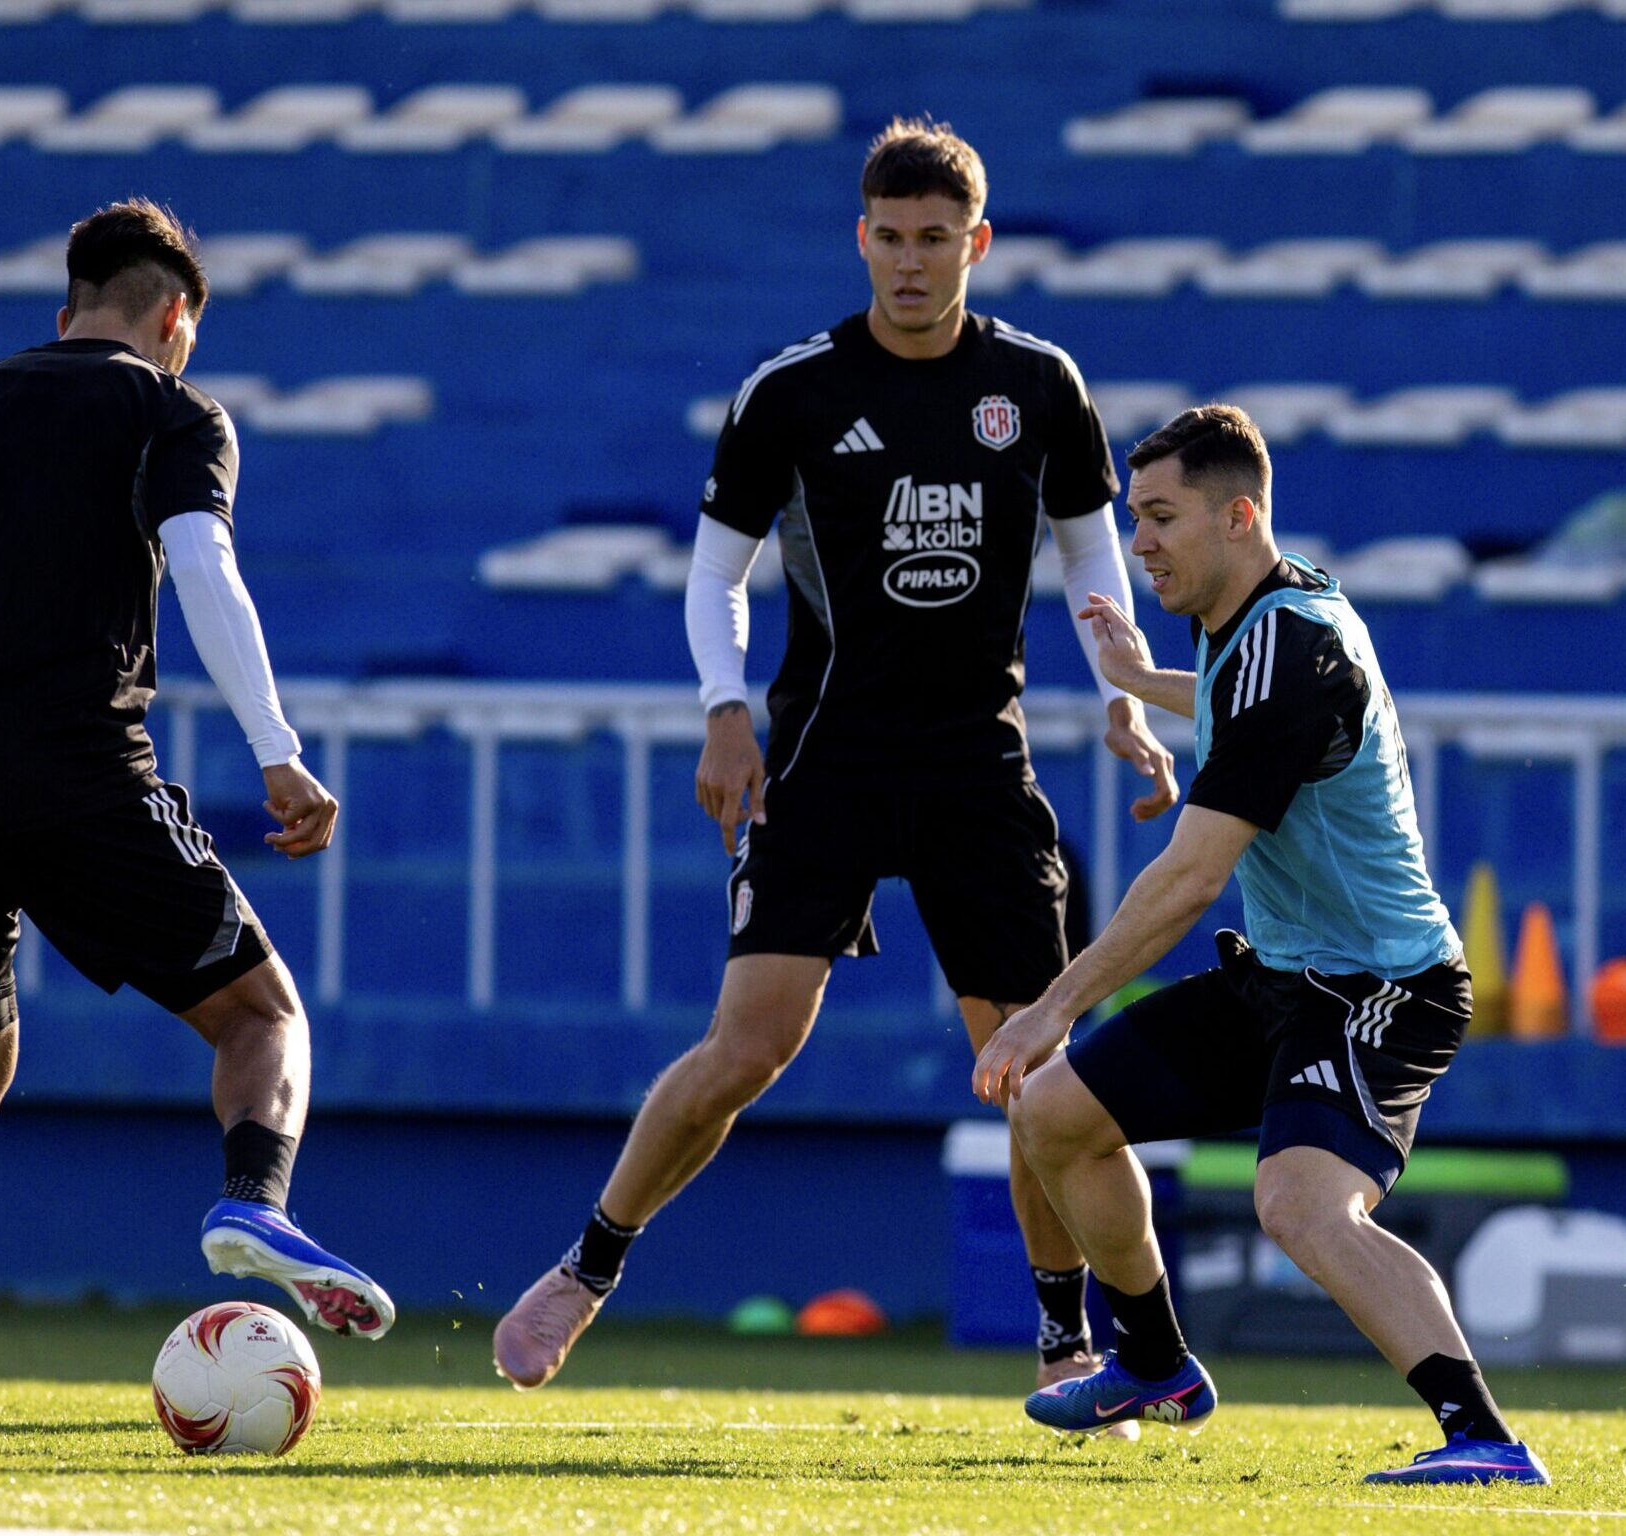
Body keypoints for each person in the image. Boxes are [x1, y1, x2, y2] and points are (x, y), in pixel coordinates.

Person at [493, 119, 1180, 1421]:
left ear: (975, 245)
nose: (912, 263)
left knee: (1031, 1065)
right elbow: (714, 571)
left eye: (937, 240)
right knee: (749, 1047)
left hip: (981, 765)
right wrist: (721, 709)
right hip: (825, 758)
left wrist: (1126, 694)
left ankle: (1059, 1339)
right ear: (860, 236)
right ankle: (589, 1264)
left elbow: (1094, 555)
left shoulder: (1037, 386)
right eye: (891, 237)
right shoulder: (793, 392)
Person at [0, 199, 393, 1448]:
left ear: (65, 313)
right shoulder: (170, 409)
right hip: (77, 770)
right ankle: (251, 1200)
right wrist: (279, 755)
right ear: (177, 322)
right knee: (260, 1015)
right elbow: (203, 566)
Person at [972, 404, 1551, 1485]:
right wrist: (1143, 683)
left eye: (1157, 517)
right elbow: (1242, 713)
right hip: (1286, 978)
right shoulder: (1249, 609)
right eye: (1132, 518)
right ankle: (1151, 1363)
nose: (1136, 542)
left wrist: (1051, 1006)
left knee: (1296, 1203)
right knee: (1052, 1114)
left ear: (1238, 516)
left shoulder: (1288, 648)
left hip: (1385, 989)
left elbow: (1189, 879)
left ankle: (1481, 1438)